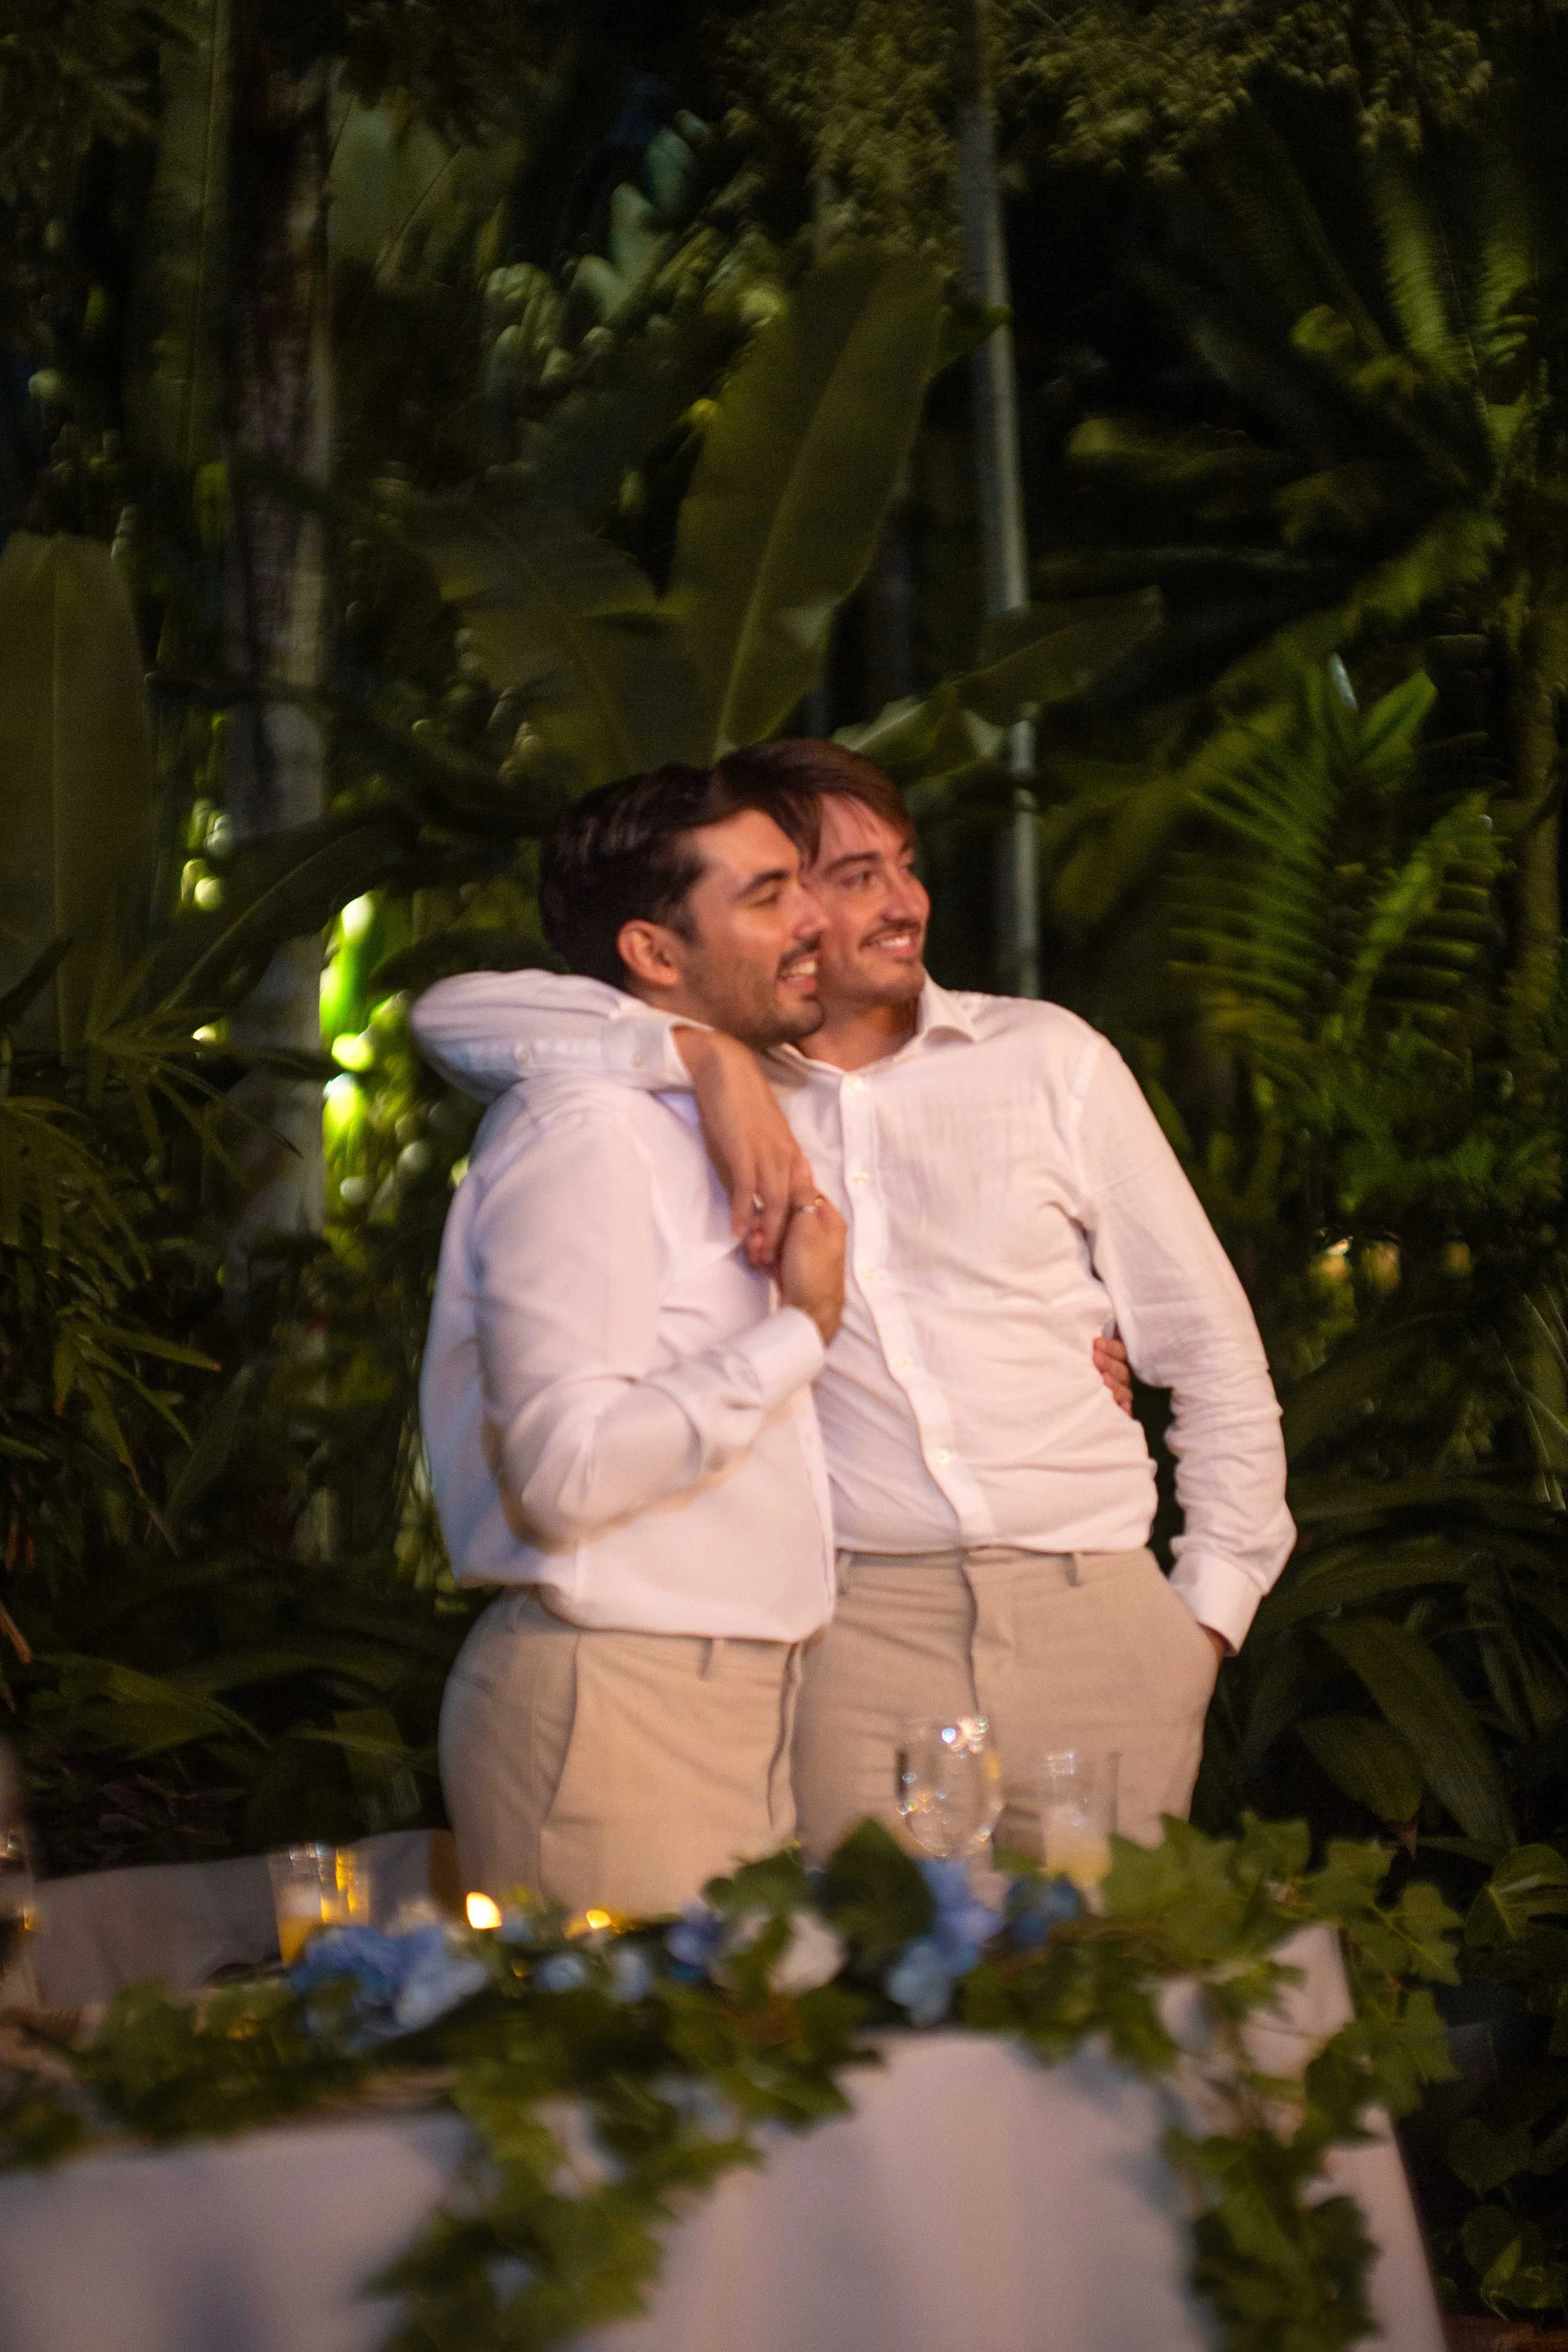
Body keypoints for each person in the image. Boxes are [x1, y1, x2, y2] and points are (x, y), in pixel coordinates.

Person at [415, 744, 1293, 1862]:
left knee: (1111, 2004)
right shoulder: (687, 1097)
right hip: (853, 1638)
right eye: (844, 876)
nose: (904, 902)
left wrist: (1204, 1616)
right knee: (878, 2004)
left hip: (1102, 1620)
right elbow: (453, 1015)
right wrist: (696, 1052)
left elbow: (1212, 1353)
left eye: (906, 865)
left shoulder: (1047, 1058)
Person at [415, 763, 848, 1916]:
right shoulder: (587, 1134)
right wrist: (798, 1333)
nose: (815, 921)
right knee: (630, 2097)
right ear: (654, 954)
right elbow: (567, 1471)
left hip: (728, 1702)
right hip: (615, 1706)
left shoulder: (724, 1108)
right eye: (767, 895)